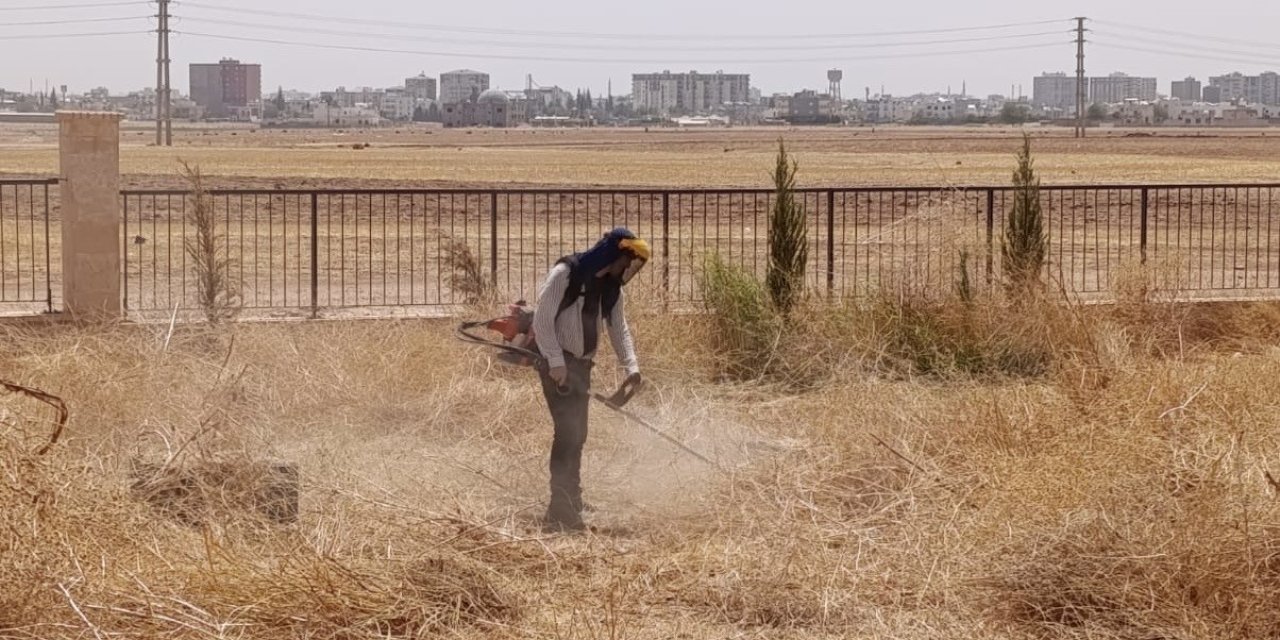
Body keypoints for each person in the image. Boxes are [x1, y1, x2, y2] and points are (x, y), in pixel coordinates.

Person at [532, 228, 649, 531]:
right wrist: (556, 363)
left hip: (582, 367)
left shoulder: (611, 288)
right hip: (557, 365)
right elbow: (542, 321)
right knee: (567, 433)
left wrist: (632, 367)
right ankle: (559, 511)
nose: (627, 269)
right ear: (613, 254)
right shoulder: (565, 274)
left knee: (578, 433)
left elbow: (618, 328)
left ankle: (573, 497)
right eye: (626, 262)